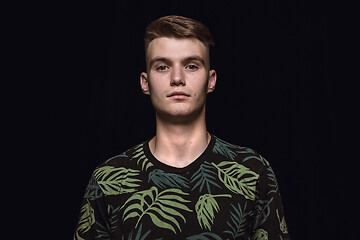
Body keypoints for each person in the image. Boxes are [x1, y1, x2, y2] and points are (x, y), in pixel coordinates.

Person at [74, 15, 290, 240]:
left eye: (191, 66)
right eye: (163, 67)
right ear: (145, 82)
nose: (177, 78)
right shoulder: (109, 179)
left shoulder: (253, 172)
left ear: (211, 80)